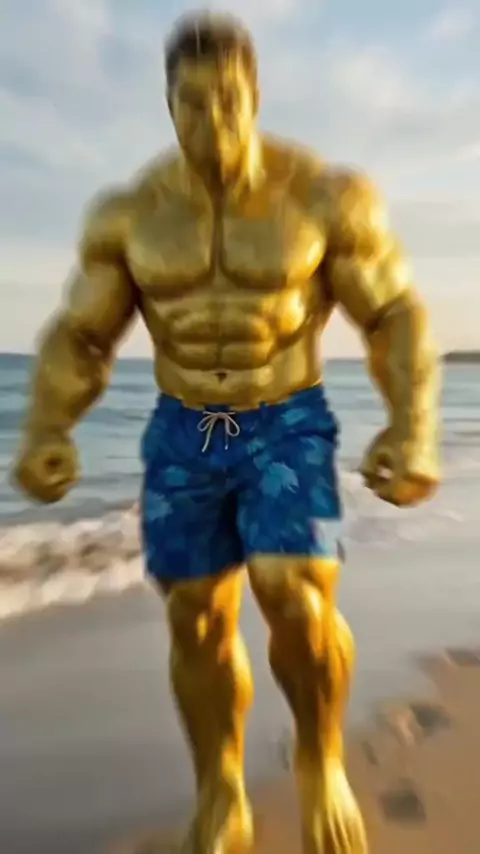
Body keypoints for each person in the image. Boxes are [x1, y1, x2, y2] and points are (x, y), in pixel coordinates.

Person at [12, 10, 440, 854]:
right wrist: (48, 427)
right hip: (184, 433)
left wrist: (412, 427)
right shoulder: (131, 216)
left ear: (256, 95)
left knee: (295, 591)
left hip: (285, 422)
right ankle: (221, 791)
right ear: (169, 105)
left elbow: (392, 311)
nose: (213, 121)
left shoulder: (321, 197)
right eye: (193, 104)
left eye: (229, 101)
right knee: (197, 618)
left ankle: (321, 761)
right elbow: (82, 334)